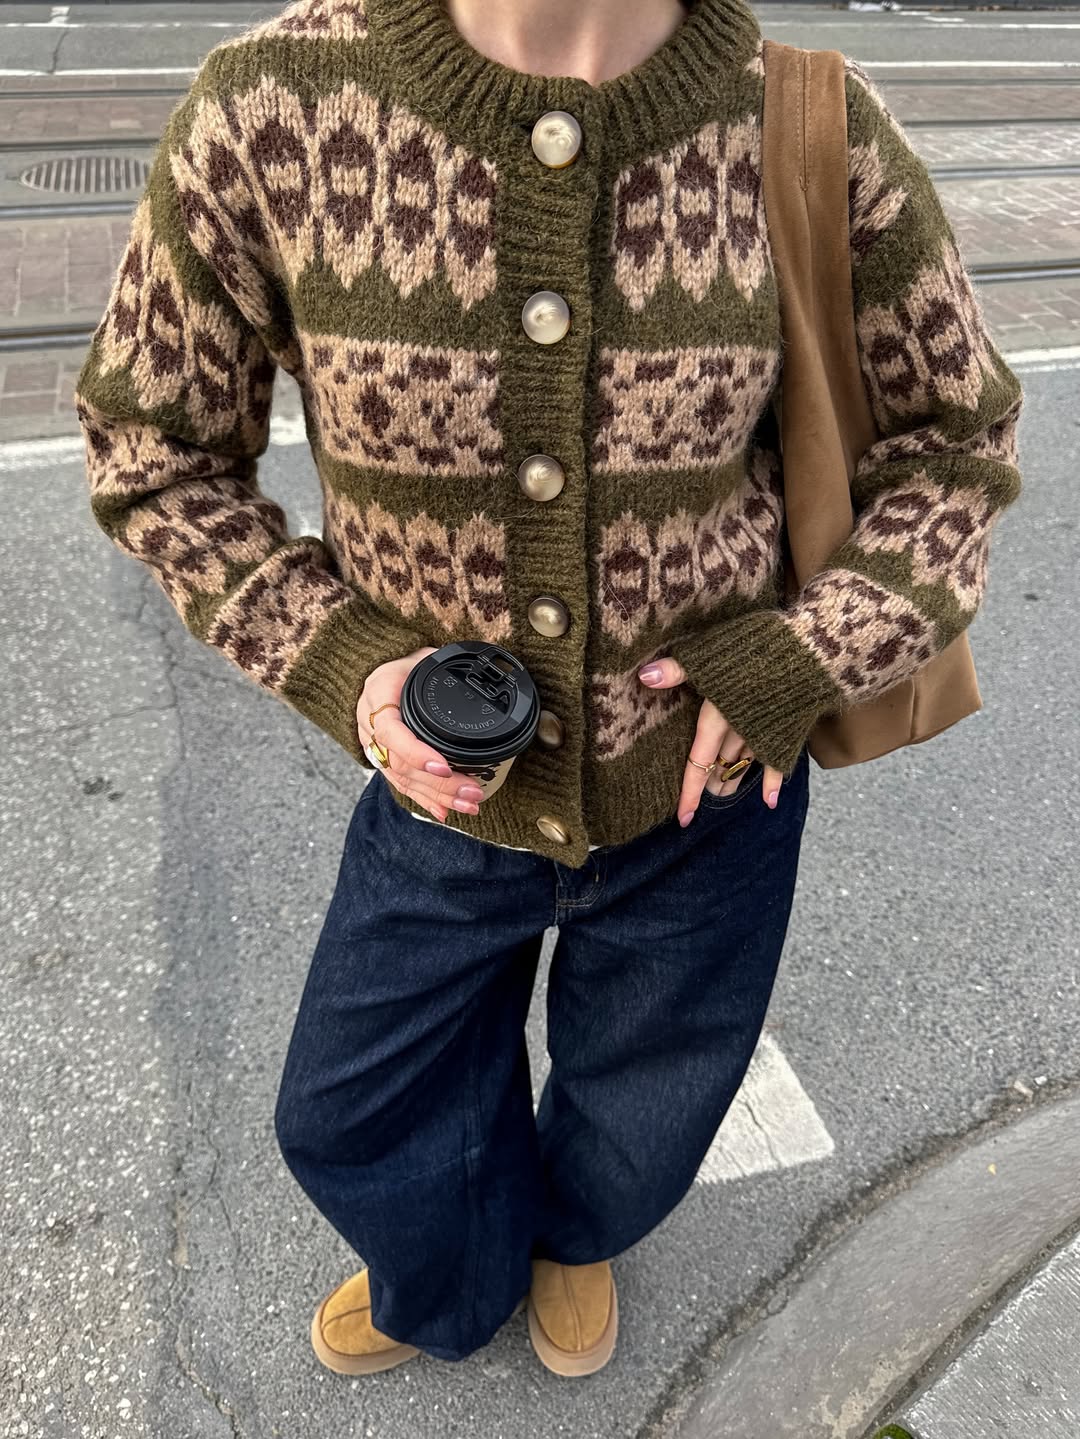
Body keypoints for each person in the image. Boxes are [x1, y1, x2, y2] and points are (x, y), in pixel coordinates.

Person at [74, 0, 1024, 1380]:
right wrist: (342, 663)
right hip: (440, 797)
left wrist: (802, 656)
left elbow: (956, 440)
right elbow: (153, 448)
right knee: (353, 1106)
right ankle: (452, 1263)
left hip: (713, 791)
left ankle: (579, 1231)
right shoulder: (271, 106)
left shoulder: (807, 121)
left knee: (651, 1093)